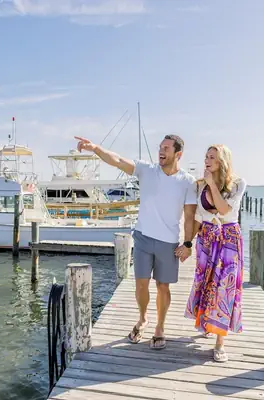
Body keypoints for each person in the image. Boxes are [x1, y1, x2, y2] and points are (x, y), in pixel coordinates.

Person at [75, 134, 197, 350]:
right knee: (141, 284)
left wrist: (187, 244)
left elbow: (189, 217)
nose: (161, 151)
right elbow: (118, 160)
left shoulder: (187, 182)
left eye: (166, 148)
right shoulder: (146, 170)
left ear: (178, 154)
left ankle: (160, 327)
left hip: (168, 242)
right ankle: (142, 319)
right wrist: (95, 148)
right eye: (160, 147)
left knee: (163, 286)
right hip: (142, 237)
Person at [176, 144, 246, 363]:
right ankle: (207, 322)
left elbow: (225, 210)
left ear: (222, 161)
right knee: (206, 283)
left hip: (228, 239)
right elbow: (197, 217)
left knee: (224, 288)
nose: (207, 160)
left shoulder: (238, 184)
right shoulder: (199, 186)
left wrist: (213, 185)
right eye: (206, 156)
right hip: (206, 238)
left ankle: (220, 342)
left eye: (212, 157)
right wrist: (188, 243)